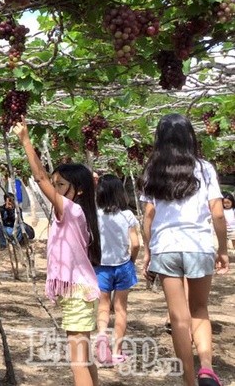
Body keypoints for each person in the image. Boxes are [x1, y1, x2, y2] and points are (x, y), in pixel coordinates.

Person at [139, 113, 229, 386]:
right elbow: (217, 213)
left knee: (178, 318)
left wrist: (148, 251)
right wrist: (222, 249)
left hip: (166, 247)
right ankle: (206, 369)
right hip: (199, 246)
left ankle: (189, 381)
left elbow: (148, 217)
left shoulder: (152, 170)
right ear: (190, 137)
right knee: (199, 309)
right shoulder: (204, 168)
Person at [12, 118, 101, 386]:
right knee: (84, 358)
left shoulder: (71, 211)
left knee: (78, 363)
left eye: (61, 185)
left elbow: (39, 177)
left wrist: (25, 140)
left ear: (79, 190)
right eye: (56, 184)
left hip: (77, 294)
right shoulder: (76, 213)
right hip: (80, 293)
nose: (56, 189)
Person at [93, 174, 140, 366]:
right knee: (121, 310)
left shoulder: (94, 215)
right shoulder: (127, 215)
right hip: (123, 266)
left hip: (101, 267)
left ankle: (102, 334)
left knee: (103, 307)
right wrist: (131, 261)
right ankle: (116, 351)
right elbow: (135, 244)